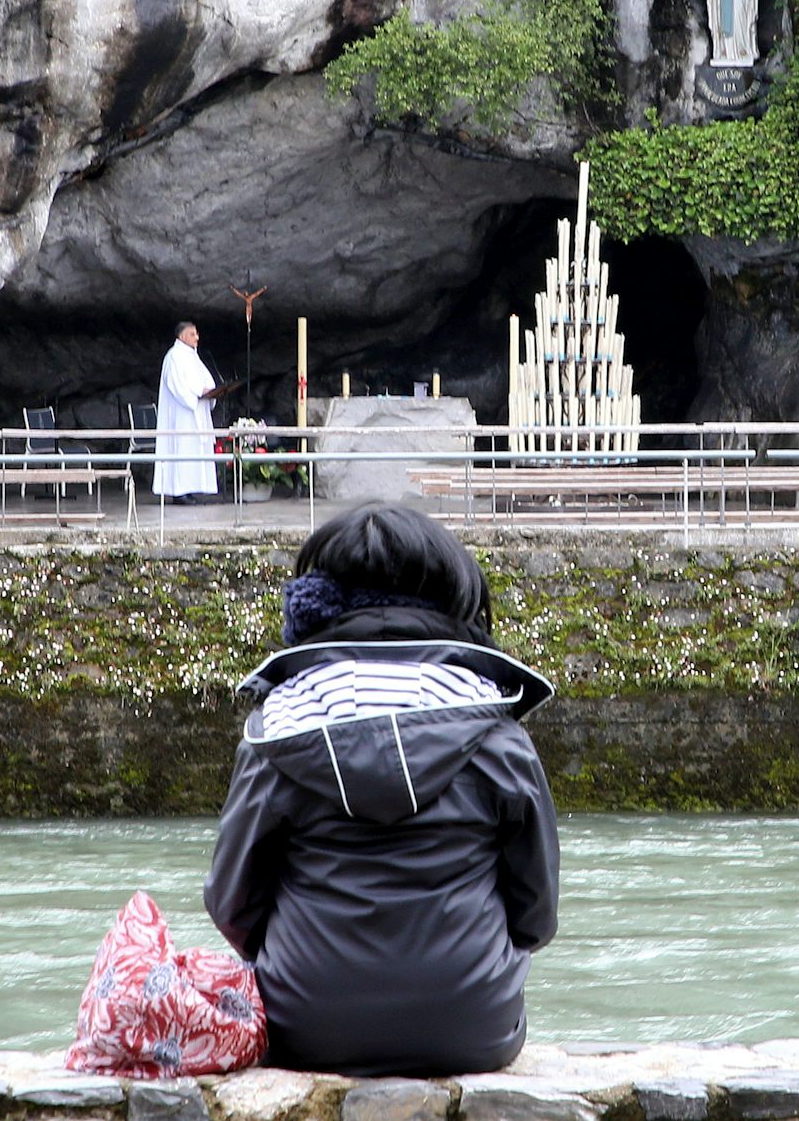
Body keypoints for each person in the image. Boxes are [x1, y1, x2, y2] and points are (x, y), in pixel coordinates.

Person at [203, 503, 560, 1076]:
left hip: (304, 1032)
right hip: (475, 1032)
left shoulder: (278, 734)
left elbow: (231, 904)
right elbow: (536, 915)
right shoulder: (499, 736)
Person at [155, 321, 219, 504]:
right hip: (182, 415)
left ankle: (190, 489)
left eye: (197, 334)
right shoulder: (174, 356)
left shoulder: (192, 356)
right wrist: (199, 394)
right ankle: (178, 491)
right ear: (182, 336)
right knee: (181, 448)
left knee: (194, 449)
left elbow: (207, 381)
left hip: (197, 413)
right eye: (192, 334)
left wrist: (211, 393)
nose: (197, 337)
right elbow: (177, 386)